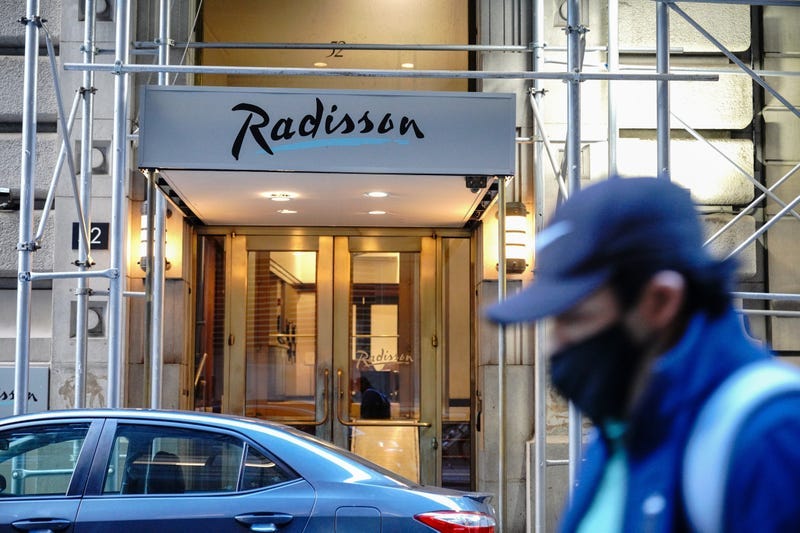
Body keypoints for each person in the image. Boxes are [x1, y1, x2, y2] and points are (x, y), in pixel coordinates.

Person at [486, 177, 800, 532]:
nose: (553, 343)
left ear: (661, 300)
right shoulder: (620, 427)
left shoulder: (772, 438)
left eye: (574, 318)